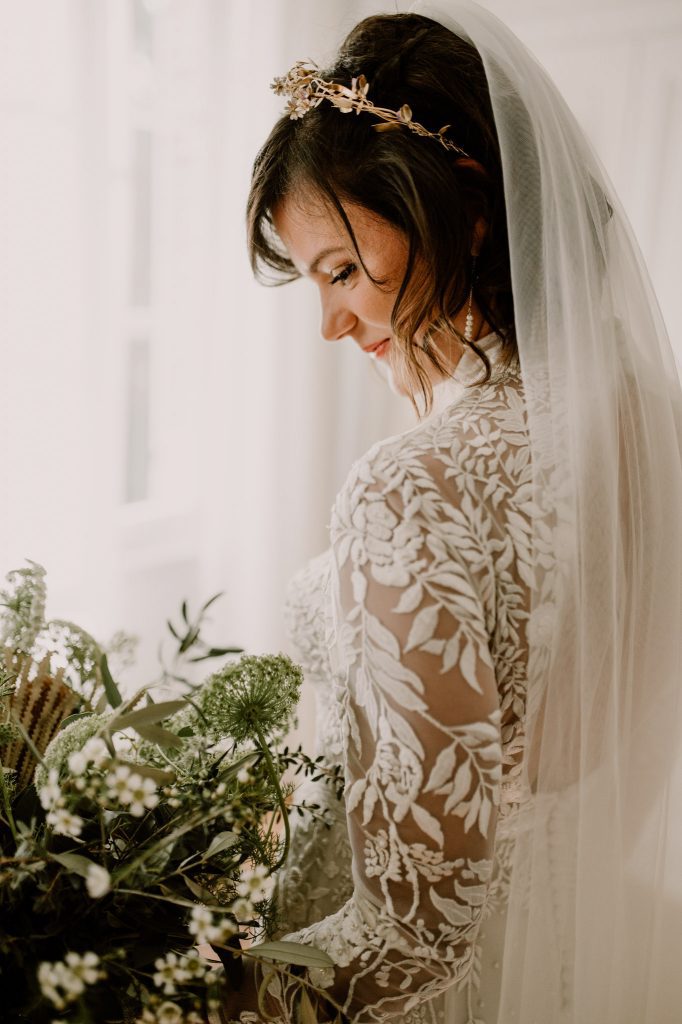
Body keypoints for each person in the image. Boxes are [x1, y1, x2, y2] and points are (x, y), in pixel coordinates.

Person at [220, 2, 682, 1021]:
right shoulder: (655, 423)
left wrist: (191, 989)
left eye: (341, 271)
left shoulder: (410, 488)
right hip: (574, 947)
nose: (332, 323)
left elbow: (415, 934)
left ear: (465, 205)